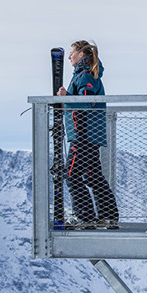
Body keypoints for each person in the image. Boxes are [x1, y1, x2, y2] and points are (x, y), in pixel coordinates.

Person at [56, 40, 119, 229]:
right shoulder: (87, 75)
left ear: (81, 54)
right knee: (93, 176)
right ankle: (107, 216)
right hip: (90, 134)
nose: (69, 57)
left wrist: (66, 98)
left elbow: (87, 102)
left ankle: (85, 217)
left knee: (71, 174)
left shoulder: (84, 77)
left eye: (72, 53)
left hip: (83, 134)